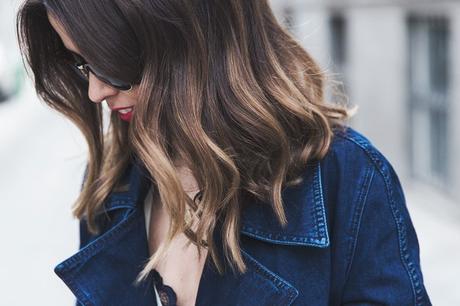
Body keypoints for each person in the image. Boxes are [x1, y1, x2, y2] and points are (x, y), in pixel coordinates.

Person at [16, 0, 431, 305]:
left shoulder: (347, 179)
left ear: (190, 36)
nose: (96, 91)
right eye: (82, 64)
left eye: (110, 60)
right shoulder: (111, 184)